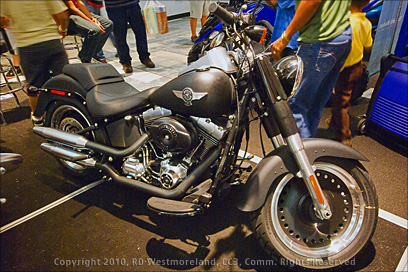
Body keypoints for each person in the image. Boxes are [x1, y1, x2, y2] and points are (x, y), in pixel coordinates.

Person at [270, 0, 353, 139]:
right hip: (341, 35)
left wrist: (285, 37)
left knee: (296, 107)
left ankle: (300, 158)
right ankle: (308, 152)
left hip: (320, 39)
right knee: (314, 106)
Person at [0, 0, 70, 124]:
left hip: (27, 45)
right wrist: (63, 30)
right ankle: (68, 112)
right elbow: (63, 15)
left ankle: (38, 118)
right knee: (64, 80)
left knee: (34, 85)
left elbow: (2, 21)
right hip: (52, 42)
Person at [327, 0, 373, 147]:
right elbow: (368, 45)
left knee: (341, 102)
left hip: (345, 69)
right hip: (358, 67)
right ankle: (335, 121)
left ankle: (344, 137)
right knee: (342, 97)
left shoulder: (346, 23)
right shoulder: (366, 22)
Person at [105, 0, 155, 73]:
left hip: (132, 5)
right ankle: (125, 62)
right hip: (114, 8)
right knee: (120, 36)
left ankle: (145, 57)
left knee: (140, 32)